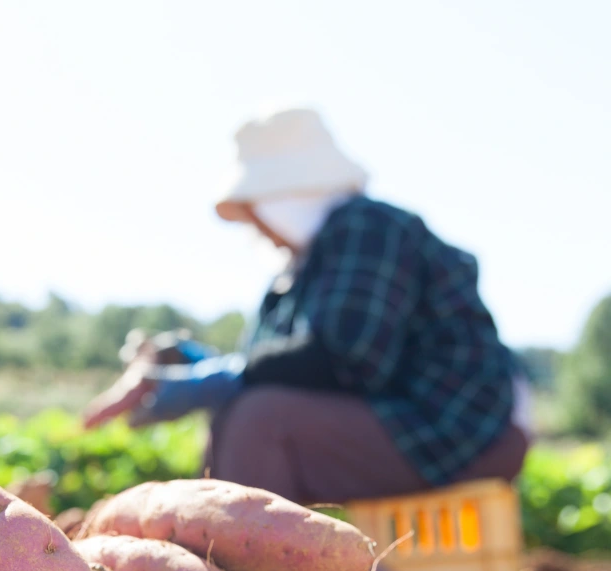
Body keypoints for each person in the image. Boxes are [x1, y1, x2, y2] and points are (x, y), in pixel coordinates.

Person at [82, 107, 530, 506]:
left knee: (259, 419)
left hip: (467, 435)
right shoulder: (302, 272)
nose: (260, 232)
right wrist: (180, 361)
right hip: (415, 434)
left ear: (283, 201)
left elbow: (339, 358)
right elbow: (277, 364)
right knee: (242, 411)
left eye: (257, 214)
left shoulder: (368, 226)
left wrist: (205, 382)